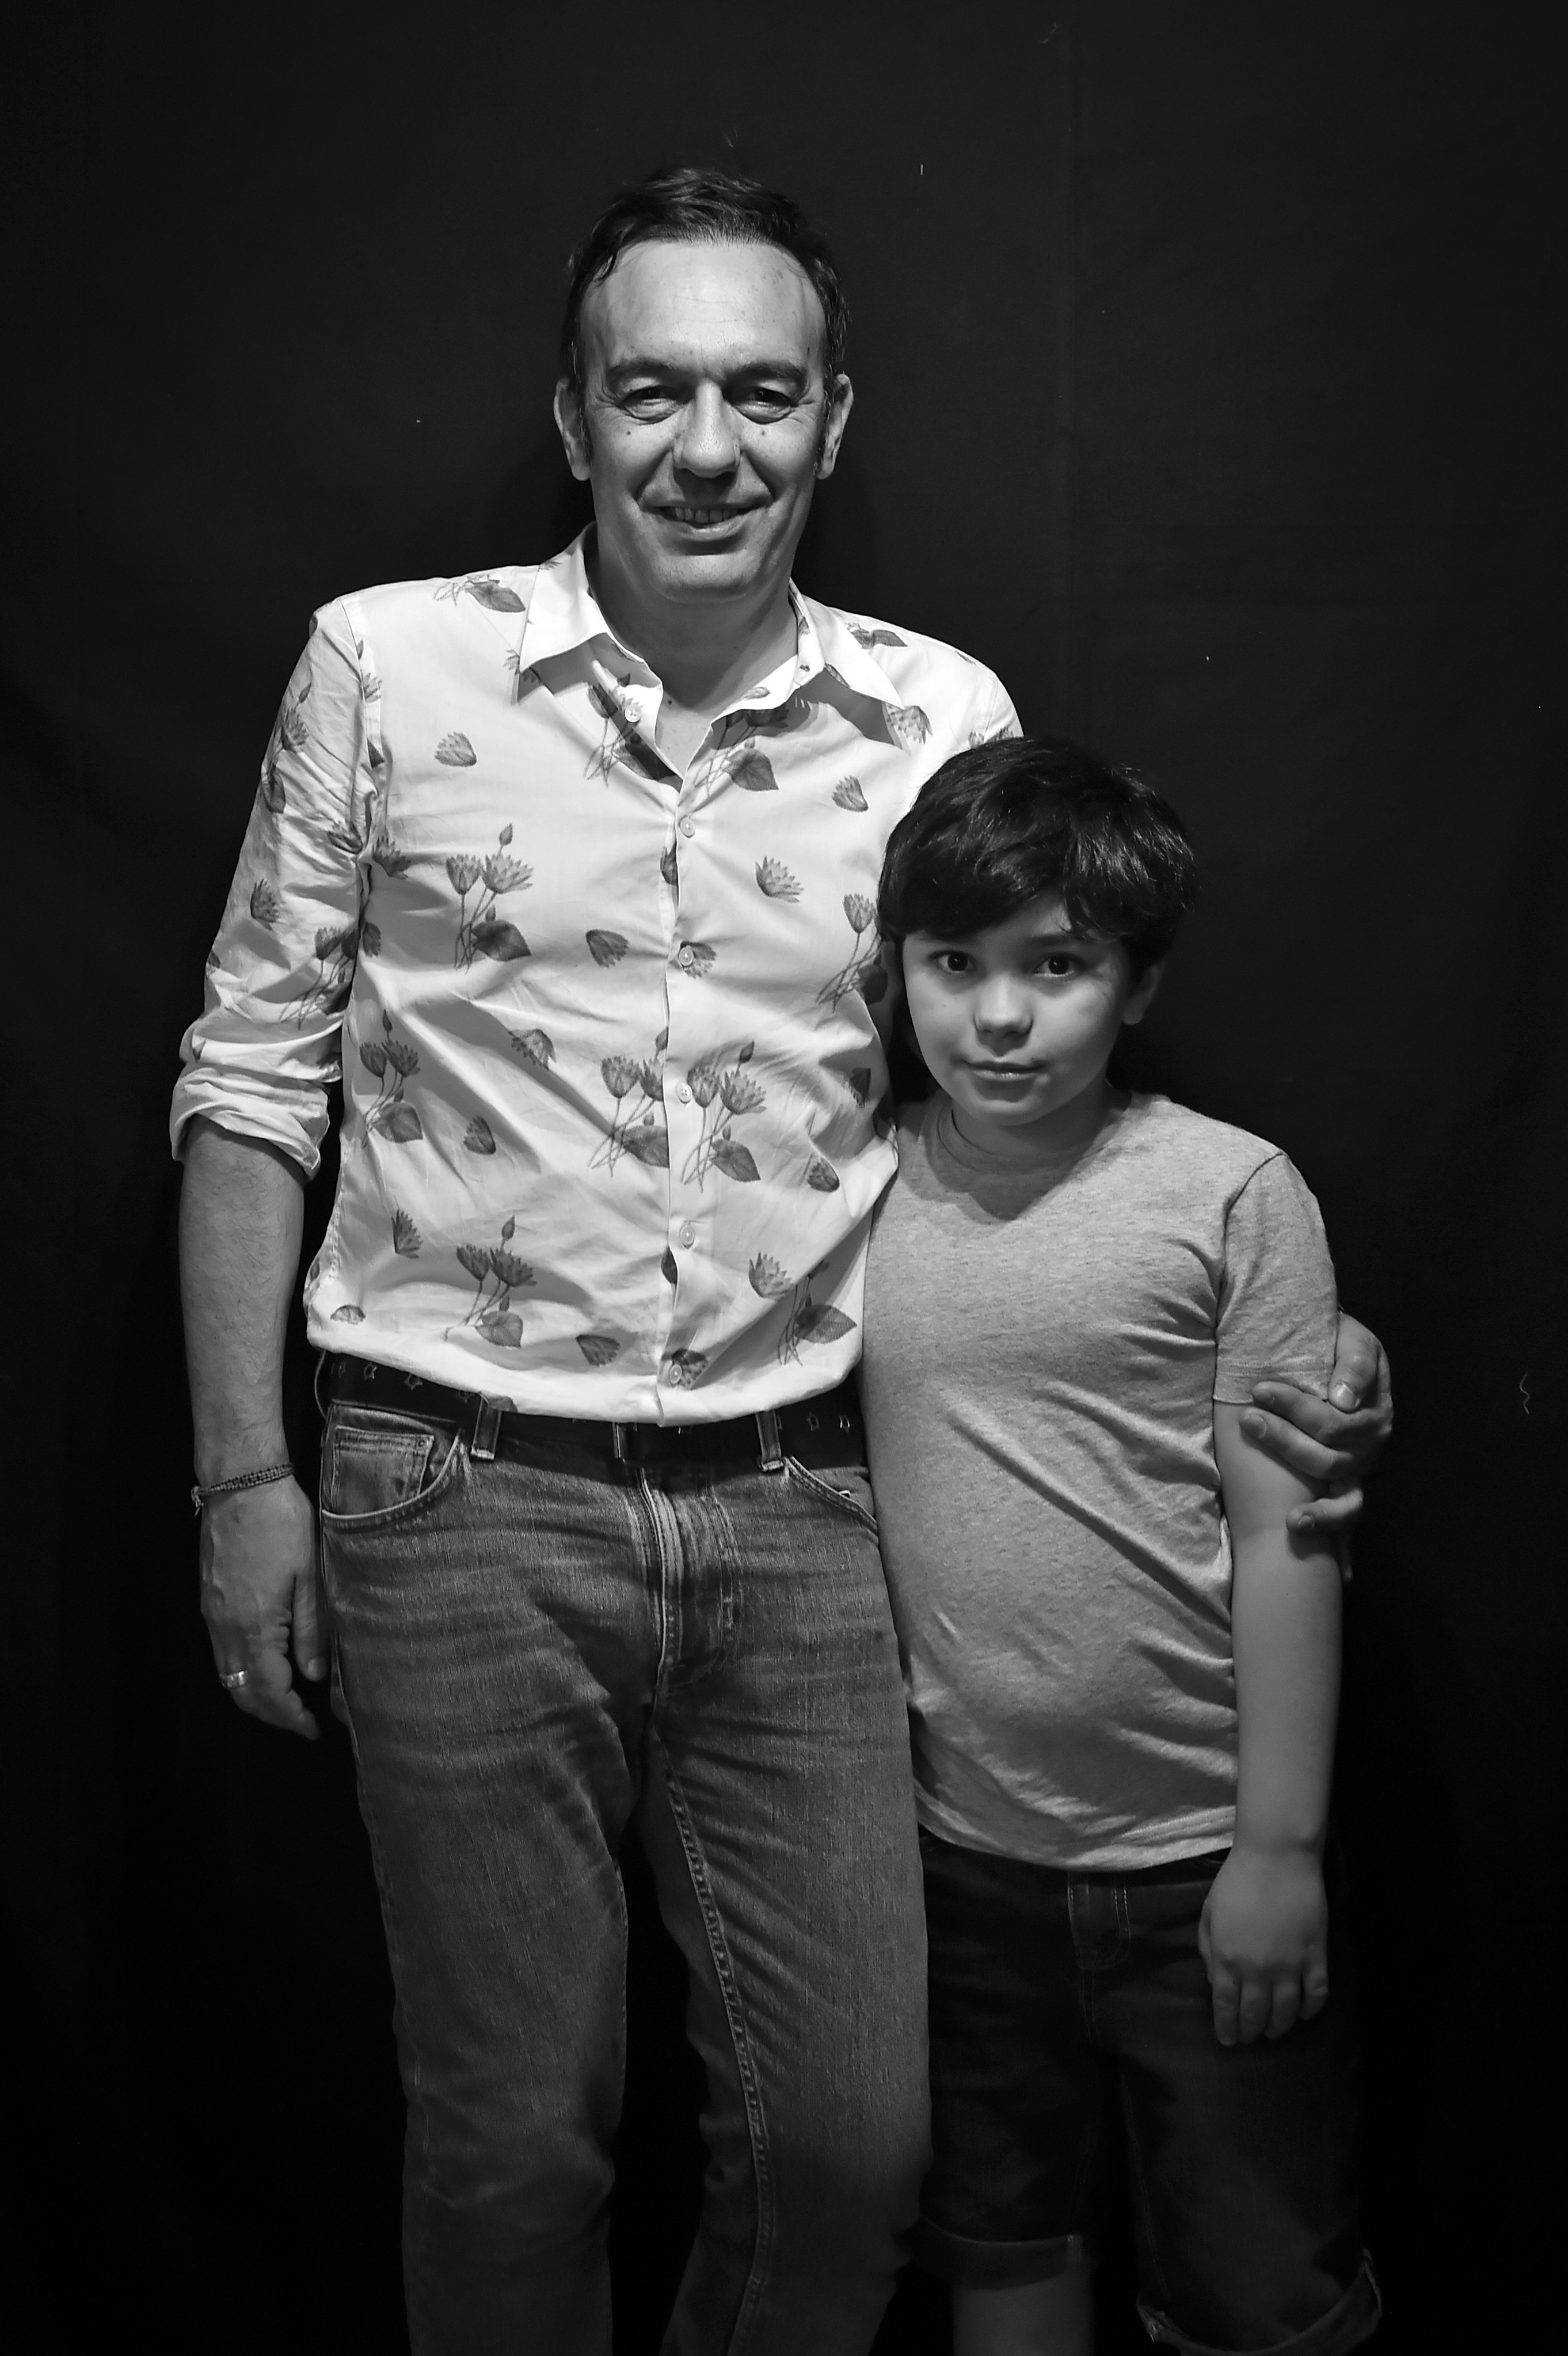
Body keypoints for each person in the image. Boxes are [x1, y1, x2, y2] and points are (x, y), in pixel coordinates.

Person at [172, 170, 1391, 2354]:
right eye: (652, 391)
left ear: (835, 417)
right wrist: (240, 1474)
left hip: (808, 1495)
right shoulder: (387, 659)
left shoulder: (936, 713)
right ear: (574, 414)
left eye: (760, 391)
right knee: (514, 2144)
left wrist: (1278, 1333)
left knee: (853, 2157)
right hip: (449, 1489)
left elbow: (1017, 1093)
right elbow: (253, 1079)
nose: (706, 446)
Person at [860, 738, 1383, 2355]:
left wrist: (1278, 1851)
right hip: (957, 1867)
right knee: (1005, 2247)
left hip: (1197, 1861)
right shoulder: (850, 1182)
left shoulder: (1228, 1193)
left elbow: (1288, 1528)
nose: (998, 1019)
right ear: (896, 968)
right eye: (954, 965)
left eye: (1057, 966)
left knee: (1257, 2285)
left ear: (1138, 984)